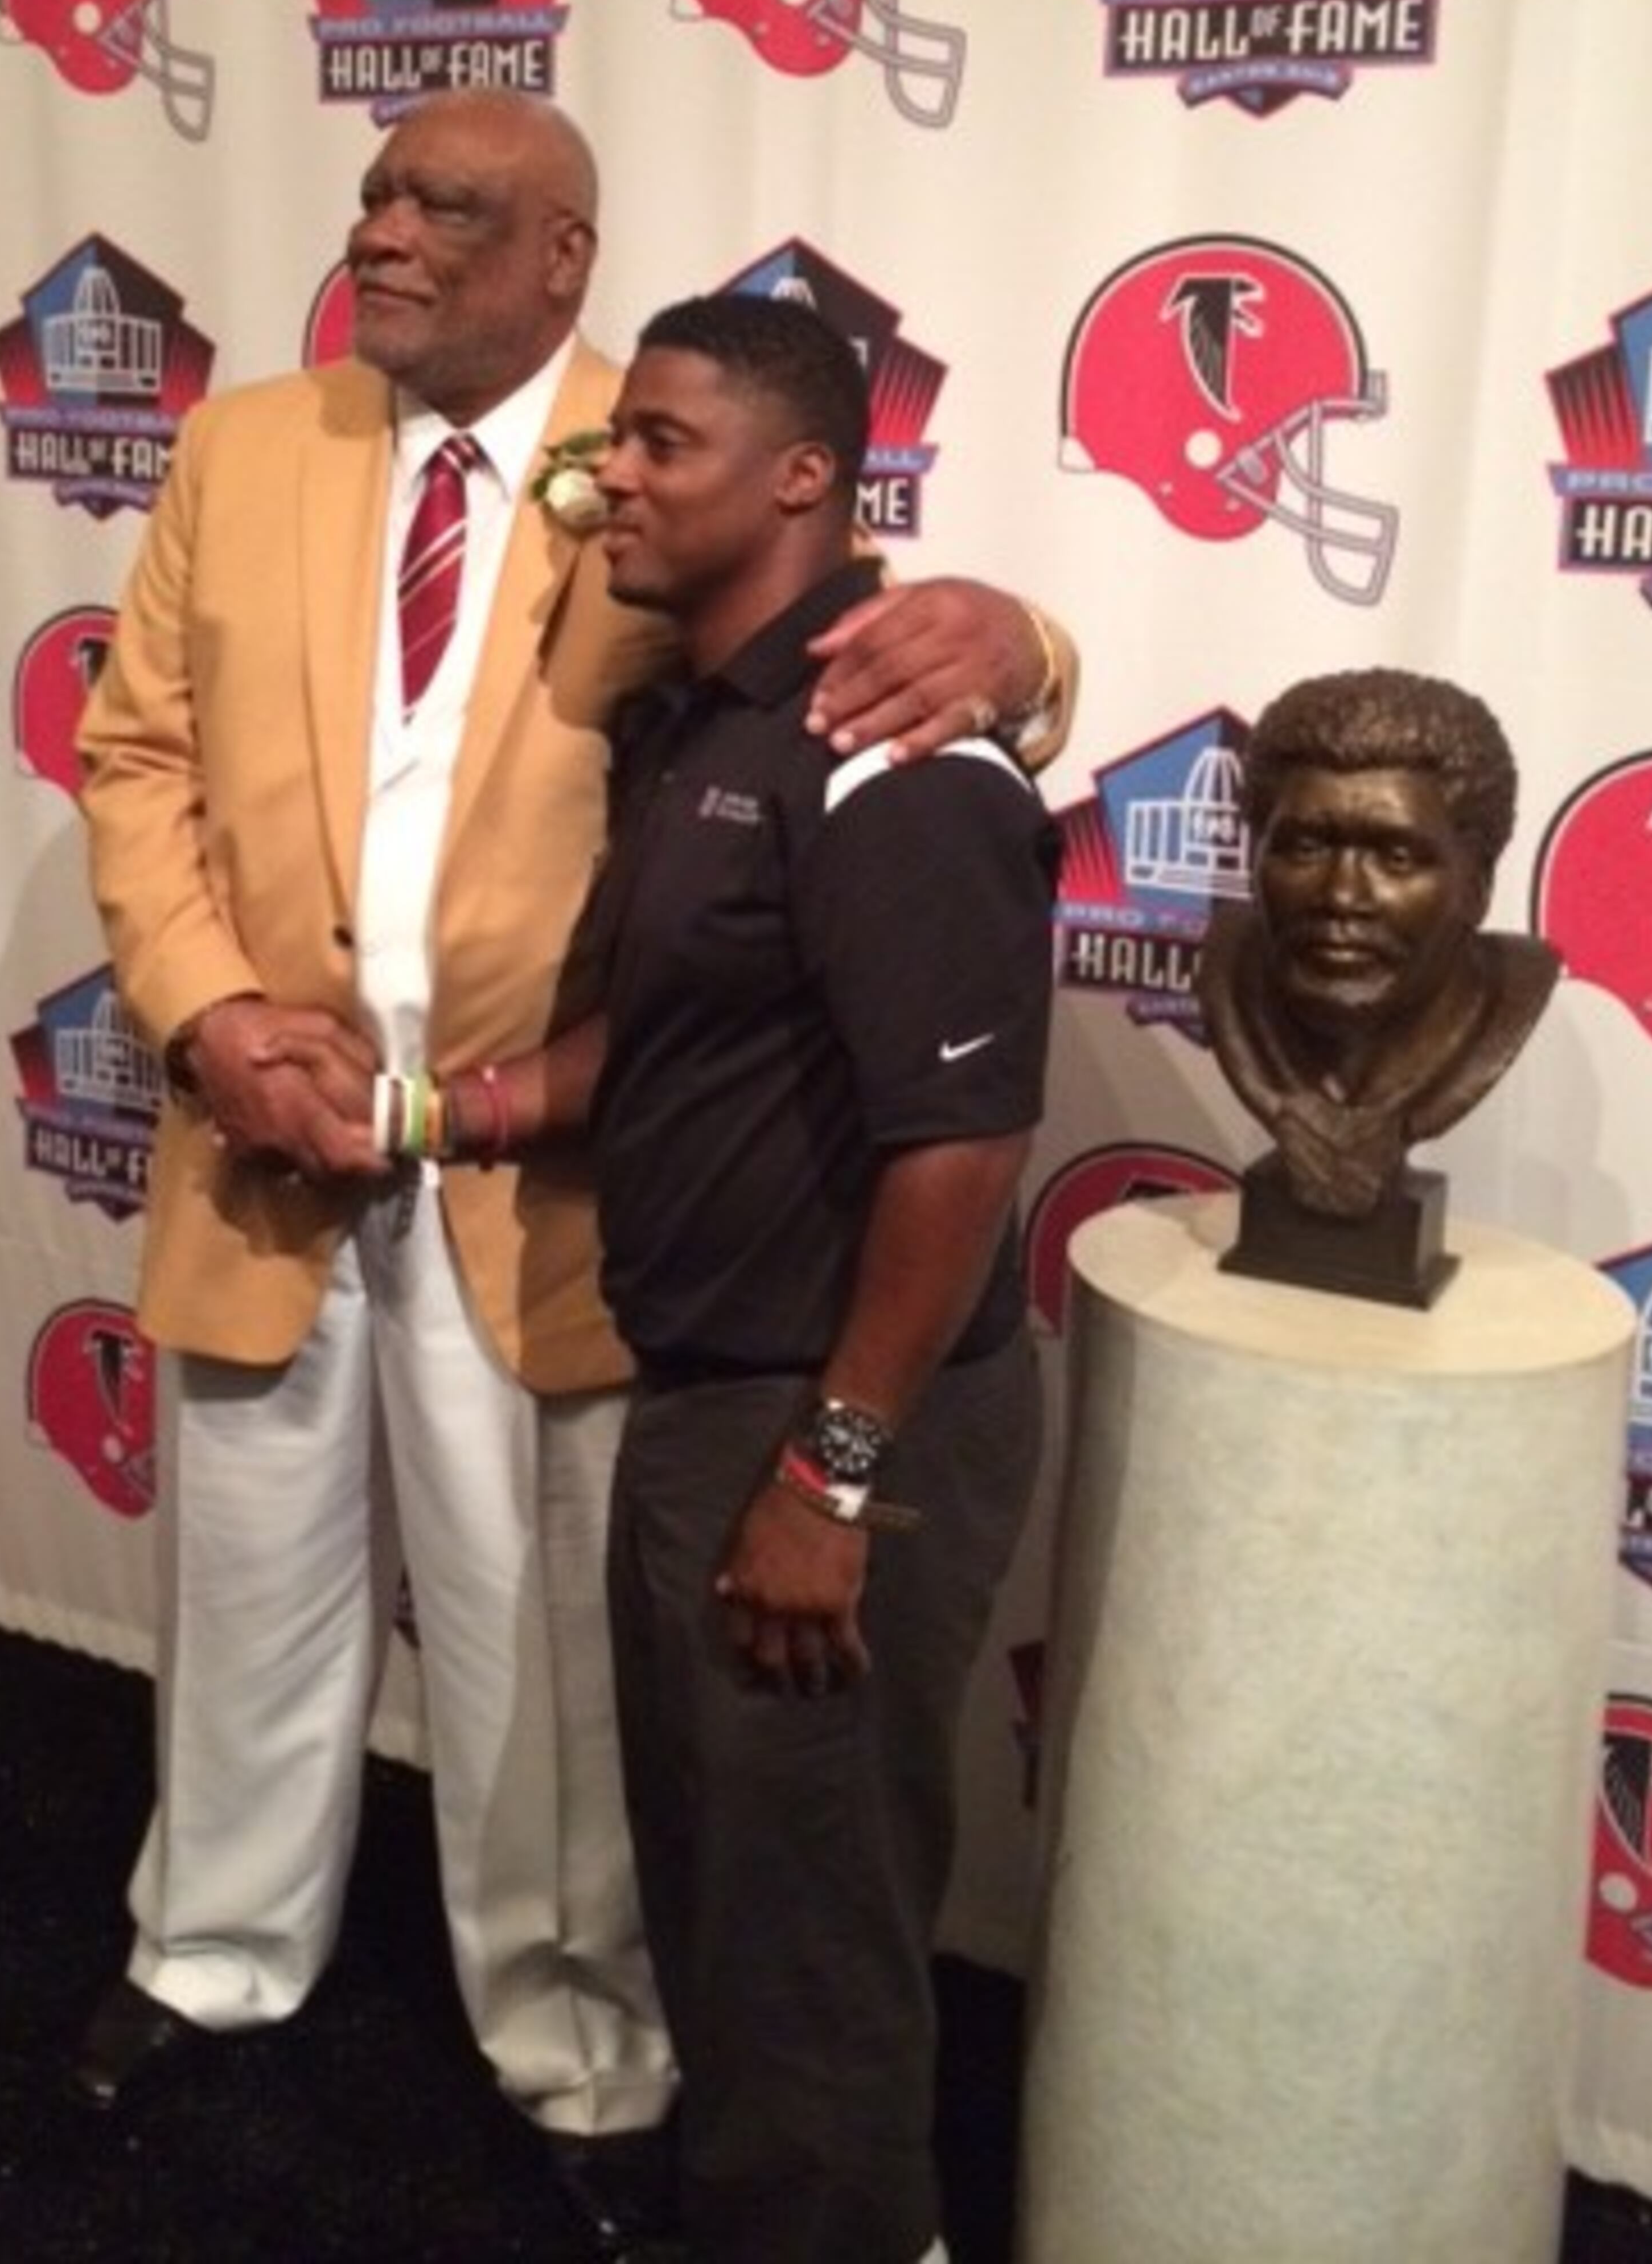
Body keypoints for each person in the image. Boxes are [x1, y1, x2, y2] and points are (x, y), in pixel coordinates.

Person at [71, 89, 1076, 2252]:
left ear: (563, 257)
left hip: (552, 1166)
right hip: (274, 1128)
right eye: (372, 195)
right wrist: (211, 1021)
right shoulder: (248, 446)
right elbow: (135, 750)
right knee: (246, 1580)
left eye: (447, 206)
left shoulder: (676, 442)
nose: (387, 232)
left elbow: (887, 653)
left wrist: (1018, 640)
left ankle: (574, 2032)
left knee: (545, 1640)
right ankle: (214, 1948)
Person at [376, 292, 1059, 2264]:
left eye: (662, 443)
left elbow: (958, 1146)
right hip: (720, 1409)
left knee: (806, 1929)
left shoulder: (897, 754)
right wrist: (440, 1118)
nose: (609, 478)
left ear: (805, 478)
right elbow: (674, 1040)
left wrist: (828, 1475)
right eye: (613, 441)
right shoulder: (710, 719)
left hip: (831, 1423)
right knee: (737, 1900)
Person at [1196, 666, 1559, 1221]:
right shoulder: (1230, 969)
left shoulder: (1507, 996)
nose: (1341, 894)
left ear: (1478, 884)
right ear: (1256, 856)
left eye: (1397, 857)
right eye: (1306, 847)